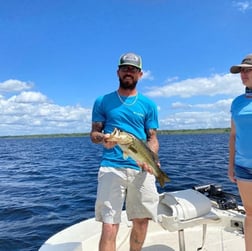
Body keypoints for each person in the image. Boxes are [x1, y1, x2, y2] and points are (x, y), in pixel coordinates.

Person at [90, 52, 160, 251]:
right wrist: (103, 137)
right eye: (125, 68)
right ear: (118, 72)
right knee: (110, 225)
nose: (129, 72)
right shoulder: (102, 101)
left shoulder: (149, 105)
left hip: (141, 168)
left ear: (140, 74)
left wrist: (152, 159)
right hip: (111, 167)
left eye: (133, 69)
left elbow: (152, 138)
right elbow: (94, 133)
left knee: (142, 221)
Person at [228, 54, 252, 251]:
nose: (243, 74)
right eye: (241, 70)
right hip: (243, 167)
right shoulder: (237, 103)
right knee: (250, 214)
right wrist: (231, 166)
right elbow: (233, 135)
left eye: (248, 70)